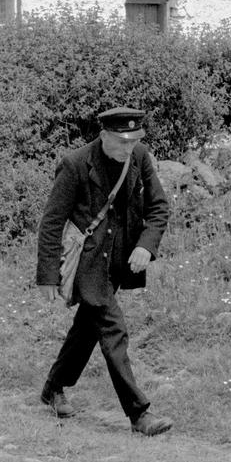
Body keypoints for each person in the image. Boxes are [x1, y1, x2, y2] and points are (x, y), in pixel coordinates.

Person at [36, 106, 173, 436]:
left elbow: (159, 207)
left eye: (134, 142)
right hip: (88, 265)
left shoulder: (139, 156)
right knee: (114, 331)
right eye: (122, 143)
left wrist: (145, 245)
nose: (129, 150)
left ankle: (53, 388)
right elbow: (52, 222)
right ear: (104, 136)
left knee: (86, 329)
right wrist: (48, 275)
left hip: (119, 262)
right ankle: (139, 414)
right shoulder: (75, 164)